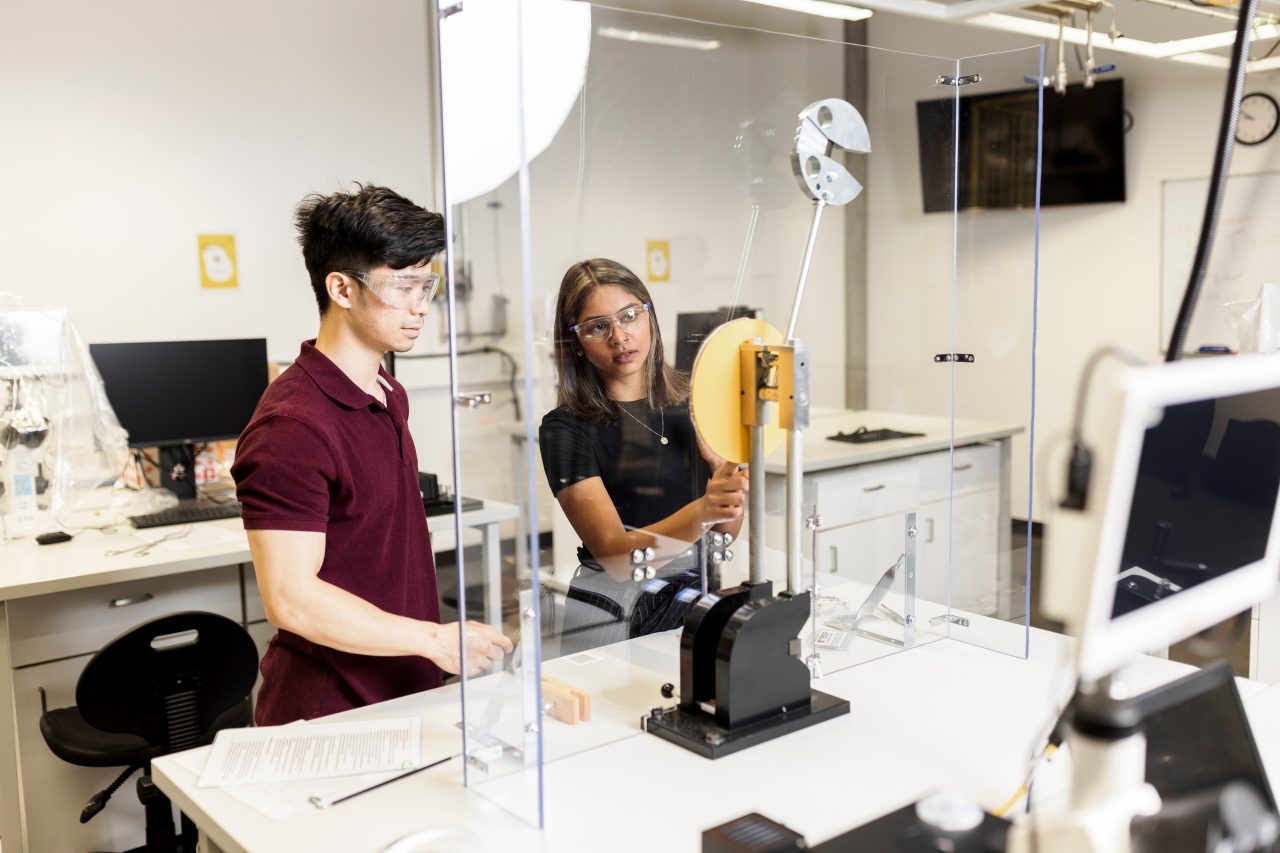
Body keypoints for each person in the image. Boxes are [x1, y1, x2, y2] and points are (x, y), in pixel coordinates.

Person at [232, 184, 511, 726]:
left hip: (404, 688)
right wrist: (434, 638)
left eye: (426, 285)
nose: (421, 306)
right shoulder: (292, 425)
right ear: (341, 288)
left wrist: (426, 648)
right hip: (331, 711)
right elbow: (290, 599)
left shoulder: (386, 391)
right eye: (403, 286)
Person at [539, 258, 748, 655]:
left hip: (695, 597)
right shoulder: (564, 428)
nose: (619, 337)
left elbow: (724, 534)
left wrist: (727, 485)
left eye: (629, 316)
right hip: (611, 613)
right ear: (577, 343)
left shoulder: (696, 400)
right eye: (598, 327)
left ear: (649, 316)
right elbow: (617, 558)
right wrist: (705, 509)